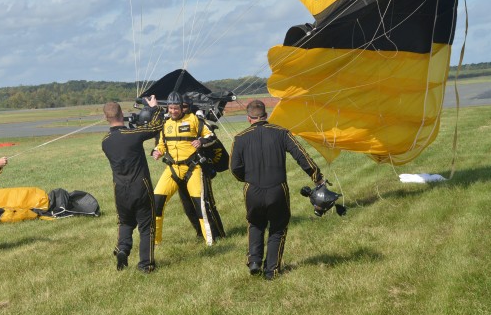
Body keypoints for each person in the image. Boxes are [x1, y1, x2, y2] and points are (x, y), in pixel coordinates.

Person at [230, 100, 325, 280]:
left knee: (255, 223)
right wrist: (317, 177)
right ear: (266, 116)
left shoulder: (240, 138)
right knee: (278, 228)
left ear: (248, 118)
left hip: (252, 189)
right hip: (277, 188)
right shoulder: (281, 133)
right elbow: (301, 155)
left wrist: (247, 179)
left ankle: (254, 261)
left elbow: (234, 167)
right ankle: (271, 271)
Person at [152, 92, 225, 246]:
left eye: (176, 108)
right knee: (156, 202)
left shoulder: (194, 120)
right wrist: (157, 151)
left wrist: (201, 141)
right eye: (170, 108)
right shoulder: (165, 124)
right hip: (172, 169)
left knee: (200, 205)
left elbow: (211, 135)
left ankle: (211, 242)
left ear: (182, 107)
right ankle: (155, 241)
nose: (173, 111)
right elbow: (161, 144)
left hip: (193, 168)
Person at [101, 96, 163, 272]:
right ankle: (146, 264)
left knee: (125, 222)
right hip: (140, 186)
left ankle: (123, 249)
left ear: (106, 117)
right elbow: (156, 126)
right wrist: (154, 109)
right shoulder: (131, 135)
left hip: (120, 189)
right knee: (146, 225)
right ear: (122, 114)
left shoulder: (105, 142)